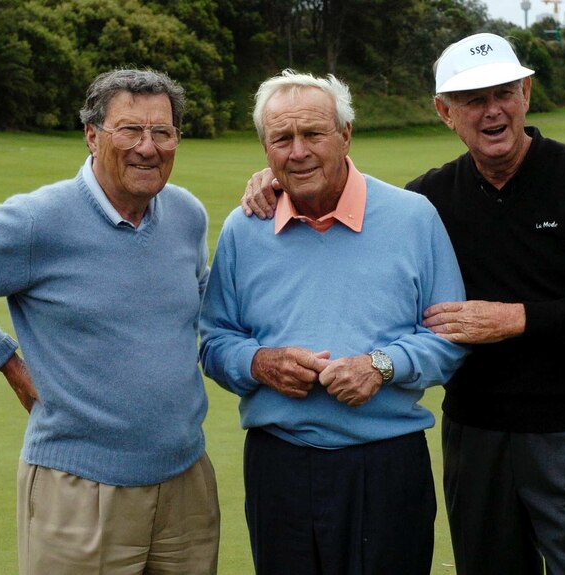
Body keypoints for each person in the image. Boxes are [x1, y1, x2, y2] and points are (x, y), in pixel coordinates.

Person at [241, 34, 565, 575]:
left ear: (525, 93)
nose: (492, 111)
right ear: (445, 113)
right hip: (476, 435)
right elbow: (333, 169)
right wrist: (280, 176)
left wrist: (515, 318)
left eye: (503, 93)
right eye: (472, 101)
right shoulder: (428, 200)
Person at [0, 68, 219, 574]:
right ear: (92, 136)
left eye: (162, 132)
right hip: (79, 491)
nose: (148, 146)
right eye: (129, 130)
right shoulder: (37, 220)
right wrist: (7, 361)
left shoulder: (187, 214)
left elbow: (199, 303)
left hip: (186, 483)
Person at [200, 69, 467, 575]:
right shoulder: (244, 228)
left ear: (345, 135)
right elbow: (214, 342)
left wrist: (382, 365)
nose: (297, 151)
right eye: (282, 138)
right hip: (279, 464)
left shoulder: (413, 217)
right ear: (265, 147)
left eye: (313, 134)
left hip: (387, 464)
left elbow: (448, 340)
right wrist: (259, 362)